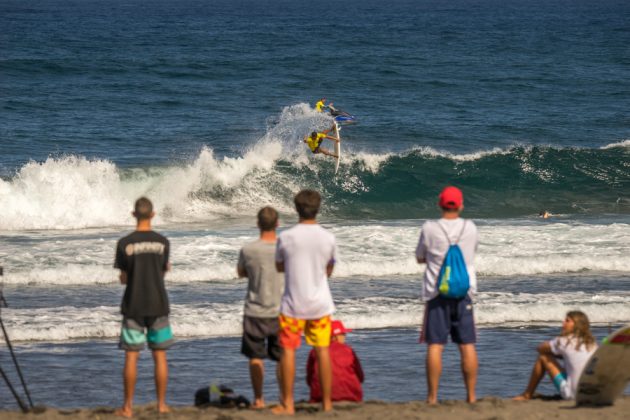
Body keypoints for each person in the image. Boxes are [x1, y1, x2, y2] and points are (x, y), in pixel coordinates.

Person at [273, 189, 338, 415]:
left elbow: (279, 267)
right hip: (320, 305)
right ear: (318, 208)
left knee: (288, 351)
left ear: (296, 208)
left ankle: (288, 404)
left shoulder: (286, 237)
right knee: (322, 351)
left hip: (293, 305)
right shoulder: (328, 237)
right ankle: (327, 404)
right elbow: (329, 270)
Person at [415, 186, 479, 404]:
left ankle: (432, 398)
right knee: (467, 344)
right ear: (461, 205)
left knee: (435, 345)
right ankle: (471, 397)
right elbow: (472, 254)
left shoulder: (430, 228)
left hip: (436, 293)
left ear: (439, 204)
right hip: (464, 292)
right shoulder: (470, 228)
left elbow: (420, 257)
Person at [114, 197, 173, 418]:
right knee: (160, 356)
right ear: (153, 215)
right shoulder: (162, 242)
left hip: (133, 304)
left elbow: (123, 278)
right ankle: (161, 405)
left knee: (131, 356)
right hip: (158, 303)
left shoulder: (125, 243)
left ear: (133, 215)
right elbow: (163, 271)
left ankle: (128, 407)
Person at [236, 206, 285, 409]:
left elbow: (241, 273)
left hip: (255, 311)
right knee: (282, 357)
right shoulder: (284, 249)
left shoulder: (248, 250)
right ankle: (285, 399)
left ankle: (258, 399)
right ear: (277, 224)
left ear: (257, 224)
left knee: (255, 357)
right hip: (281, 310)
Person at [514, 311, 597, 401]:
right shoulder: (592, 344)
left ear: (576, 325)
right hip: (593, 393)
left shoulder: (564, 341)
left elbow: (540, 348)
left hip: (573, 395)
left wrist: (558, 354)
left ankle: (527, 394)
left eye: (567, 320)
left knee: (544, 357)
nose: (563, 322)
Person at [306, 319, 364, 403]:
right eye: (343, 334)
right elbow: (361, 377)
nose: (345, 337)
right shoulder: (349, 350)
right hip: (351, 396)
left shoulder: (315, 351)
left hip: (319, 397)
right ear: (336, 337)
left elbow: (309, 380)